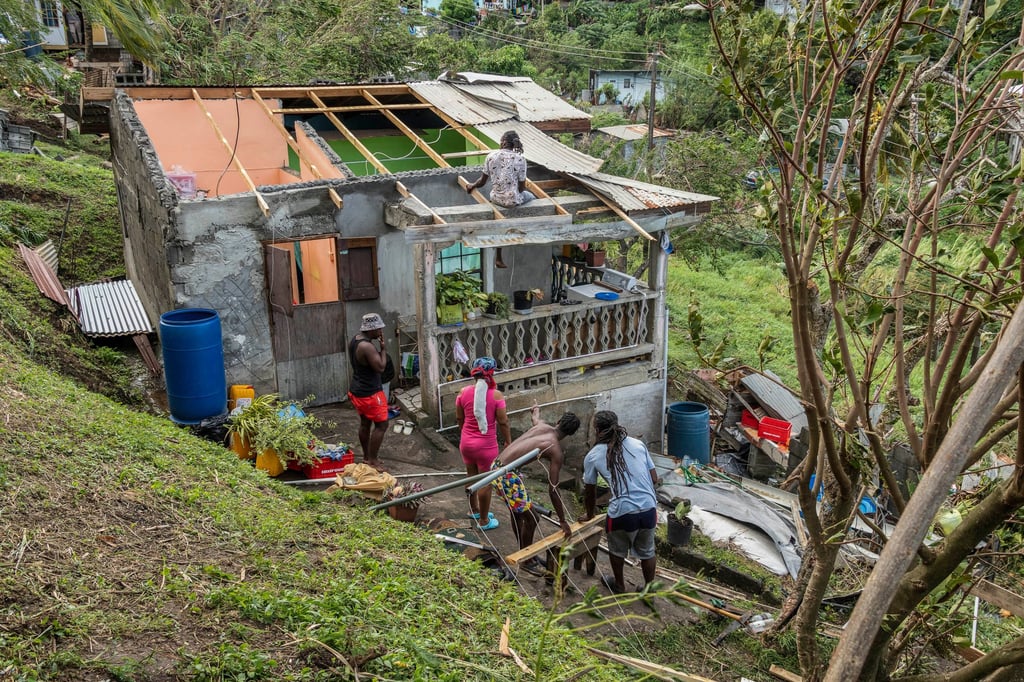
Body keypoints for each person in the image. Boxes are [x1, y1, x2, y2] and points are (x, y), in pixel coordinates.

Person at [491, 404, 580, 571]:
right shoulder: (556, 450)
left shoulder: (542, 426)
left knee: (517, 513)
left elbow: (535, 419)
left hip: (496, 466)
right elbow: (553, 489)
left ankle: (525, 553)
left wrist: (535, 410)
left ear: (558, 421)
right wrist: (562, 520)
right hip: (506, 476)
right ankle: (526, 560)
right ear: (571, 434)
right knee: (533, 518)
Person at [581, 410, 659, 594]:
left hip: (622, 512)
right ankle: (649, 590)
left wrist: (590, 514)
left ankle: (619, 585)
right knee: (648, 550)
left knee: (617, 549)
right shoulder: (638, 444)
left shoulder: (593, 455)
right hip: (649, 507)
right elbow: (654, 478)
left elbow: (589, 491)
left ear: (597, 430)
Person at [465, 130, 536, 268]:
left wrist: (471, 186)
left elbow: (482, 182)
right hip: (512, 201)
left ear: (503, 142)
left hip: (496, 198)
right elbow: (521, 189)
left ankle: (498, 257)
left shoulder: (491, 156)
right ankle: (528, 229)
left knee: (499, 222)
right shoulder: (520, 159)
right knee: (532, 197)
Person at [456, 357, 512, 531]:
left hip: (466, 443)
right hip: (486, 446)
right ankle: (484, 520)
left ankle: (474, 510)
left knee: (471, 477)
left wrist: (465, 434)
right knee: (485, 482)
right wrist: (508, 440)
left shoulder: (463, 392)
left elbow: (459, 418)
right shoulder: (496, 395)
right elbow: (503, 421)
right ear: (492, 373)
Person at [347, 313, 390, 469]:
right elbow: (380, 367)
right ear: (371, 329)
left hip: (357, 390)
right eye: (379, 329)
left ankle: (366, 457)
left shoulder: (355, 340)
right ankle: (372, 460)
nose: (380, 332)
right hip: (370, 393)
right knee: (382, 425)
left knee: (365, 423)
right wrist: (383, 349)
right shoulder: (367, 346)